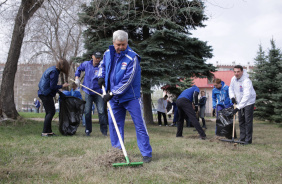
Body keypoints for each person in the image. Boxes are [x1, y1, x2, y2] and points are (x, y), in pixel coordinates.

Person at [97, 30, 152, 163]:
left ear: (127, 43)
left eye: (124, 44)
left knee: (139, 124)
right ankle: (117, 152)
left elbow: (127, 81)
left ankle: (146, 154)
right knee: (114, 124)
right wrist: (100, 76)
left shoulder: (132, 58)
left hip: (131, 97)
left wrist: (112, 92)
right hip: (114, 99)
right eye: (118, 44)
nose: (121, 47)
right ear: (113, 43)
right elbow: (102, 65)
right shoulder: (107, 53)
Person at [75, 51, 108, 136]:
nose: (97, 59)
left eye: (99, 58)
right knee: (87, 111)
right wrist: (77, 77)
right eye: (96, 57)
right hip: (88, 92)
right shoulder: (86, 64)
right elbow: (78, 69)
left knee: (101, 111)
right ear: (92, 56)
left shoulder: (101, 66)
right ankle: (88, 130)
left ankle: (104, 131)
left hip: (98, 92)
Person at [38, 59, 69, 137]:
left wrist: (59, 92)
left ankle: (49, 132)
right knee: (51, 112)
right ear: (62, 66)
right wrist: (62, 86)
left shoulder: (52, 69)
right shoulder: (54, 72)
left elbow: (51, 85)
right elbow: (52, 87)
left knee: (49, 112)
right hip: (45, 94)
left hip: (43, 93)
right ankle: (45, 132)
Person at [229, 65, 256, 144]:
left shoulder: (246, 81)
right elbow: (230, 88)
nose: (236, 73)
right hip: (240, 101)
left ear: (242, 72)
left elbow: (246, 95)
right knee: (241, 120)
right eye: (235, 72)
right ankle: (242, 138)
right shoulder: (233, 79)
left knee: (247, 121)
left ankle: (248, 140)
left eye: (238, 71)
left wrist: (238, 107)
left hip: (248, 102)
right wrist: (232, 97)